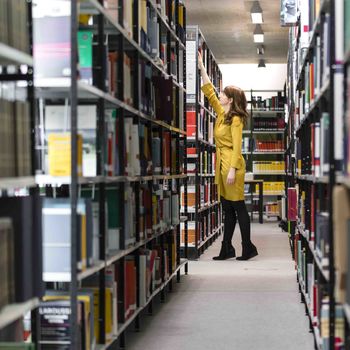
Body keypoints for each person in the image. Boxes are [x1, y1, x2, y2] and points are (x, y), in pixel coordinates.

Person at [198, 52, 258, 261]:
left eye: (223, 94)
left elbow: (237, 147)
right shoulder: (222, 114)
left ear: (230, 100)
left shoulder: (236, 120)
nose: (220, 95)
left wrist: (232, 169)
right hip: (221, 166)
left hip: (232, 167)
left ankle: (247, 247)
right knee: (227, 208)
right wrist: (201, 67)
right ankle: (227, 248)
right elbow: (209, 93)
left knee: (238, 206)